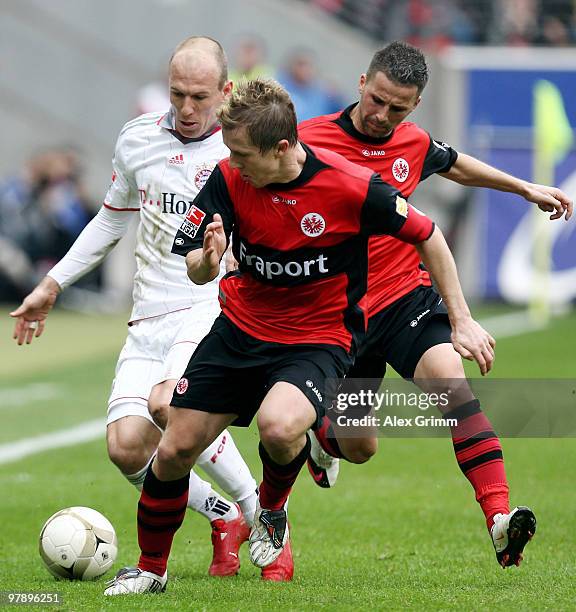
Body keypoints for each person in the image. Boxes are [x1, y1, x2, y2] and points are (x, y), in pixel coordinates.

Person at [103, 77, 495, 596]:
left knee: (281, 427)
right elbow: (195, 264)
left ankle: (269, 509)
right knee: (174, 446)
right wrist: (208, 260)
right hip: (240, 331)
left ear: (282, 148)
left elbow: (428, 235)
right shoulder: (227, 177)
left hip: (317, 337)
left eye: (243, 154)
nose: (233, 163)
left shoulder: (350, 185)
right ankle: (150, 571)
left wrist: (461, 319)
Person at [9, 37, 293, 581]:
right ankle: (224, 514)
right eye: (177, 95)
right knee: (125, 447)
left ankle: (267, 520)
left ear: (226, 92)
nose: (187, 109)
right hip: (148, 313)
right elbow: (112, 220)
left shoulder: (242, 152)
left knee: (170, 407)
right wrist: (53, 283)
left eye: (200, 97)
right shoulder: (137, 139)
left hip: (212, 305)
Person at [298, 41, 571, 568]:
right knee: (358, 446)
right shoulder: (309, 140)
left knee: (454, 389)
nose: (382, 115)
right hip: (340, 312)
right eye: (376, 100)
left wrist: (522, 188)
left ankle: (498, 519)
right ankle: (321, 439)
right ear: (361, 83)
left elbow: (455, 164)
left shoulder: (412, 142)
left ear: (414, 106)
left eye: (397, 108)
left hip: (405, 300)